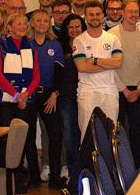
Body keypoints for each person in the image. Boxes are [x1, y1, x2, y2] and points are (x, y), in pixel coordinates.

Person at [0, 12, 42, 189]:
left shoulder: (31, 46)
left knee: (28, 139)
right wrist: (15, 95)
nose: (23, 26)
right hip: (6, 100)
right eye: (18, 23)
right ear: (9, 27)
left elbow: (36, 76)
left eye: (25, 23)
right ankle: (11, 180)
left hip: (27, 99)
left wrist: (25, 94)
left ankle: (31, 178)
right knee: (10, 141)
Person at [111, 0, 140, 167]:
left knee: (139, 132)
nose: (133, 15)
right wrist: (124, 89)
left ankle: (136, 167)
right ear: (122, 12)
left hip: (139, 91)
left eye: (136, 12)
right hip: (117, 90)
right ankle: (119, 168)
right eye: (130, 11)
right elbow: (110, 67)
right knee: (117, 133)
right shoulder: (112, 35)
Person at [73, 1, 123, 138]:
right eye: (91, 15)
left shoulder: (113, 39)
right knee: (87, 136)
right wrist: (108, 63)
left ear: (102, 15)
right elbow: (82, 67)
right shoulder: (79, 40)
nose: (94, 17)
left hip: (109, 91)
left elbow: (118, 63)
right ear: (85, 16)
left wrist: (95, 60)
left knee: (110, 135)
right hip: (87, 92)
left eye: (97, 14)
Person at [28, 10, 66, 189]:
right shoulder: (26, 43)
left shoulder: (55, 44)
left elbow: (60, 72)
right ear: (32, 23)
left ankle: (55, 176)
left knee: (55, 134)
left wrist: (54, 94)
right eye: (38, 20)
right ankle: (34, 176)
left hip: (48, 95)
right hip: (29, 95)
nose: (42, 23)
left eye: (45, 20)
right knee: (29, 135)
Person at [56, 14, 84, 180]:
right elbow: (57, 73)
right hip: (66, 97)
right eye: (71, 27)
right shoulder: (60, 46)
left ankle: (85, 170)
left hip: (85, 95)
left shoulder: (88, 43)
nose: (74, 30)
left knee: (84, 133)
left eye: (77, 27)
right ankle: (73, 172)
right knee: (69, 135)